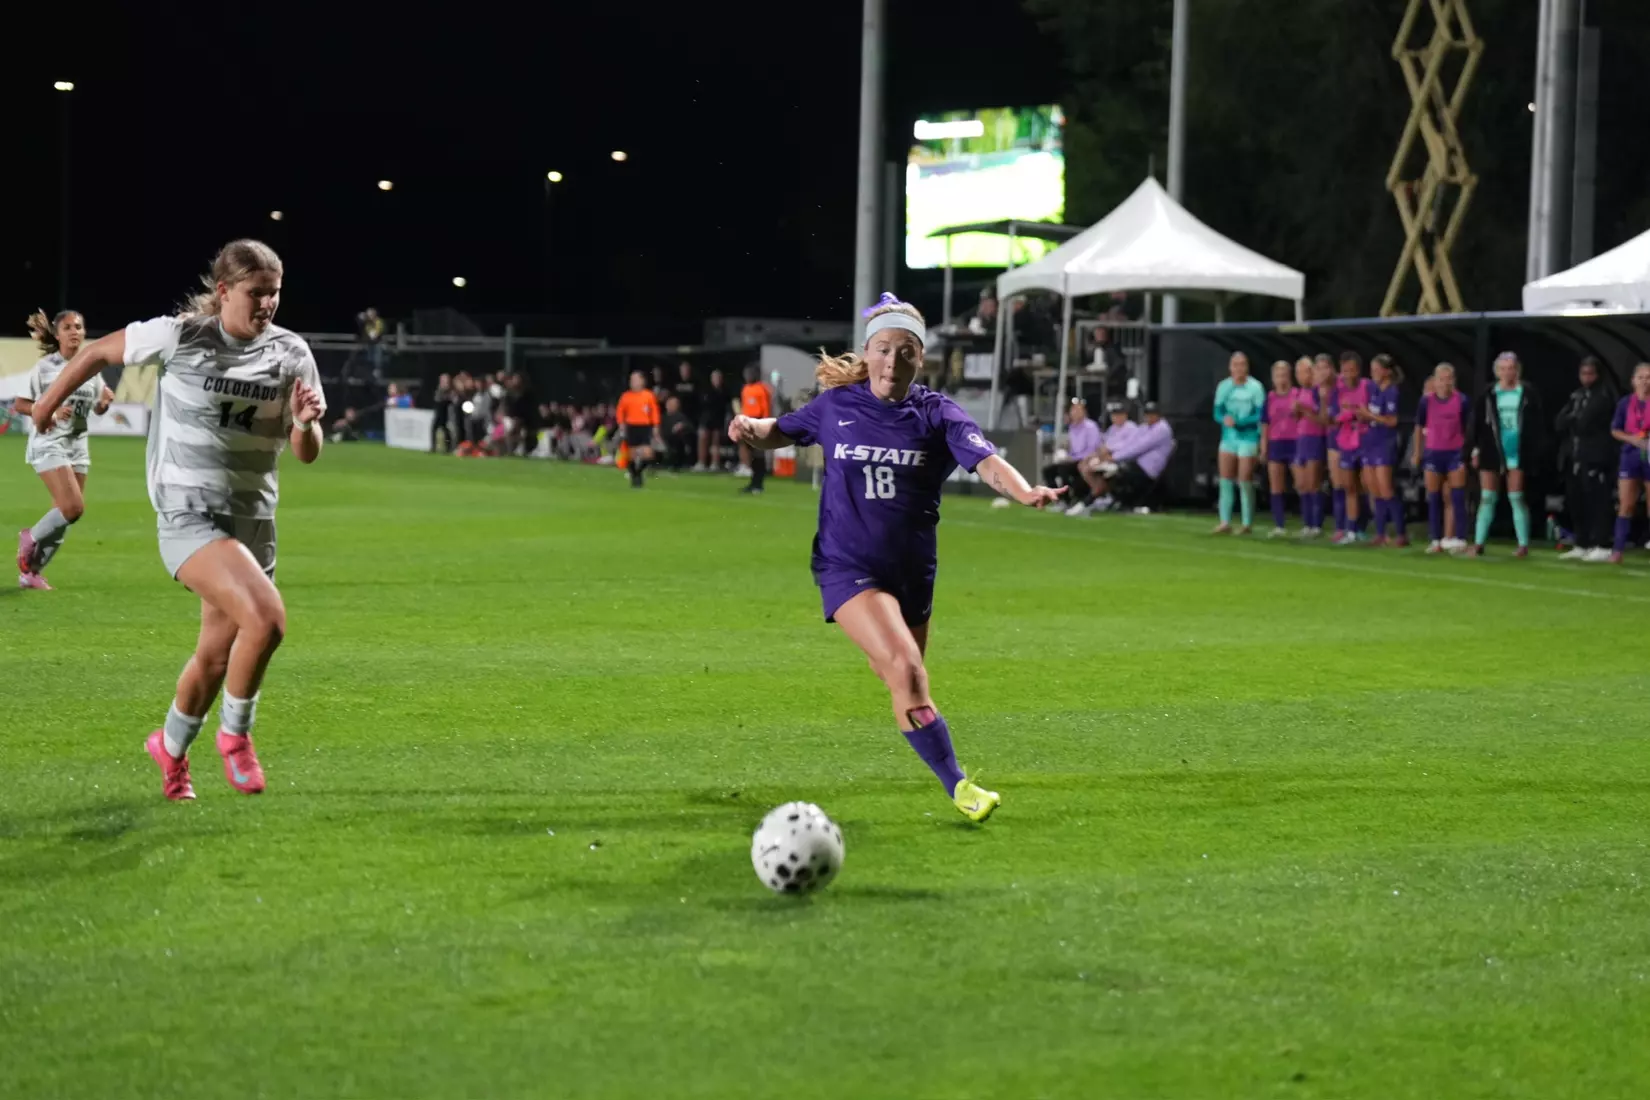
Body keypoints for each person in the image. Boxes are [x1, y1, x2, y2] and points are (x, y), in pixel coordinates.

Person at [727, 293, 1062, 823]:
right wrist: (752, 427)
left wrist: (1023, 491)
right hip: (848, 566)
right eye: (883, 349)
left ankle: (931, 747)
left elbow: (987, 461)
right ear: (867, 352)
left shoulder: (937, 413)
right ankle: (960, 787)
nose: (892, 362)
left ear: (920, 358)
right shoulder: (836, 406)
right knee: (906, 671)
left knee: (901, 678)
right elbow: (781, 431)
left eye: (905, 351)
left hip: (912, 574)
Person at [31, 239, 325, 802]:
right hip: (188, 513)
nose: (268, 303)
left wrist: (307, 424)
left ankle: (169, 748)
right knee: (267, 619)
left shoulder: (292, 352)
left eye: (275, 293)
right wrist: (46, 405)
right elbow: (96, 353)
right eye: (257, 293)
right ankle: (235, 737)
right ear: (224, 291)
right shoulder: (181, 335)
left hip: (253, 521)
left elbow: (305, 451)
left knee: (215, 656)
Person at [13, 310, 114, 590]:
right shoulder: (46, 367)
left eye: (78, 327)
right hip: (49, 442)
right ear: (57, 335)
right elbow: (20, 404)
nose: (74, 332)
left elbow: (97, 407)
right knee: (72, 508)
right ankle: (30, 537)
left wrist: (104, 404)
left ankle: (32, 573)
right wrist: (51, 411)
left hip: (77, 446)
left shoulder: (91, 367)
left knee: (64, 515)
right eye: (67, 327)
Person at [1465, 352, 1544, 558]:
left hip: (1517, 451)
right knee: (1487, 497)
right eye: (1503, 369)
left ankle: (1523, 545)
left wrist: (1534, 450)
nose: (1507, 372)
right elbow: (1477, 423)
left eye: (1511, 368)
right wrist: (1475, 448)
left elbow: (1537, 424)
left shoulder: (1527, 393)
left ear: (1517, 370)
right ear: (1497, 371)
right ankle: (1479, 543)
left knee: (1516, 497)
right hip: (1491, 449)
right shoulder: (1489, 393)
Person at [1554, 356, 1618, 561]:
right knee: (1576, 501)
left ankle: (1602, 544)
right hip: (1574, 456)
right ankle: (1581, 542)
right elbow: (1559, 422)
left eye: (1590, 374)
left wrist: (1574, 418)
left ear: (1598, 375)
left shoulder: (1604, 396)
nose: (1586, 378)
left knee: (1597, 501)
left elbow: (1585, 423)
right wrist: (1573, 417)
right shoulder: (1577, 395)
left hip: (1596, 457)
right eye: (1583, 373)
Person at [1412, 362, 1470, 554]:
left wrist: (1469, 451)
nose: (1445, 383)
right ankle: (1435, 539)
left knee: (1457, 496)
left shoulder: (1462, 400)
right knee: (1434, 497)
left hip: (1455, 453)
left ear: (1454, 381)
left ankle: (1460, 538)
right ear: (1435, 381)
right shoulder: (1426, 402)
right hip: (1433, 453)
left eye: (1448, 379)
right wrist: (1417, 452)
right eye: (1441, 379)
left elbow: (1468, 428)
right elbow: (1419, 427)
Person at [1212, 351, 1265, 534]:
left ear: (1247, 367)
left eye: (1242, 364)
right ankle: (1224, 521)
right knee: (1225, 479)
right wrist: (1224, 419)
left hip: (1248, 437)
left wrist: (1241, 422)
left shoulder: (1255, 387)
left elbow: (1260, 414)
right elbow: (1217, 412)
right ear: (1230, 367)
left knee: (1244, 479)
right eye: (1235, 365)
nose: (1239, 368)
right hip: (1229, 438)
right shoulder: (1224, 386)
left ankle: (1246, 522)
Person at [1358, 353, 1408, 547]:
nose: (1373, 373)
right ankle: (1380, 533)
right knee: (1374, 490)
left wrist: (1369, 415)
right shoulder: (1373, 389)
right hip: (1370, 442)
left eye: (1376, 370)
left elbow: (1392, 421)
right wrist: (1360, 415)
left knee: (1386, 489)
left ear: (1386, 372)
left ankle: (1401, 533)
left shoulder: (1392, 392)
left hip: (1385, 444)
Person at [1096, 401, 1174, 511]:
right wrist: (1112, 455)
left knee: (1115, 472)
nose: (1149, 417)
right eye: (1147, 414)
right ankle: (1112, 499)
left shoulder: (1162, 429)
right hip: (1137, 463)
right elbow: (1130, 443)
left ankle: (1118, 499)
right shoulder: (1144, 427)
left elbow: (1139, 448)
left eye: (1152, 414)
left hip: (1149, 468)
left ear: (1158, 415)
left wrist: (1114, 458)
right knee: (1105, 470)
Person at [1608, 362, 1650, 563]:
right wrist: (1632, 439)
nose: (1645, 381)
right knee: (1626, 504)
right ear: (1633, 381)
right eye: (1641, 377)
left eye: (1648, 377)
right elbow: (1615, 430)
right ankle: (1618, 550)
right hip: (1630, 456)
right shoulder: (1625, 403)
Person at [1329, 351, 1370, 544]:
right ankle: (1351, 530)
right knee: (1349, 487)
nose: (1347, 374)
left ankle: (1367, 528)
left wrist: (1360, 415)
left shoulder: (1368, 386)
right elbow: (1333, 417)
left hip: (1366, 441)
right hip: (1346, 442)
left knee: (1367, 485)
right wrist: (1344, 416)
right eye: (1344, 370)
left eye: (1351, 370)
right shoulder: (1337, 391)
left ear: (1358, 370)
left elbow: (1372, 412)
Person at [1040, 398, 1101, 515]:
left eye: (1078, 410)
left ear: (1084, 412)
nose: (1075, 413)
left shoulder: (1090, 427)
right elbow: (1073, 448)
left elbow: (1093, 449)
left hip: (1086, 460)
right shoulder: (1072, 428)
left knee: (1063, 469)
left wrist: (1072, 458)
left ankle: (1068, 500)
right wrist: (1066, 454)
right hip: (1073, 459)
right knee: (1048, 471)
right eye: (1073, 410)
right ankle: (1061, 500)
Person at [1258, 360, 1298, 537]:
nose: (1281, 378)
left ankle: (1310, 523)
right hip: (1276, 443)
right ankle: (1279, 524)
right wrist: (1263, 448)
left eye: (1284, 375)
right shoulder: (1270, 398)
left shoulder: (1297, 395)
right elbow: (1265, 425)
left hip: (1295, 442)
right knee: (1276, 485)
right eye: (1277, 375)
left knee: (1301, 483)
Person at [1291, 356, 1328, 538]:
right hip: (1301, 439)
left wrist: (1304, 410)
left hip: (1315, 438)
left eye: (1304, 371)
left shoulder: (1317, 392)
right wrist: (1296, 411)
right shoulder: (1300, 392)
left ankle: (1316, 524)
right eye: (1298, 372)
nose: (1301, 376)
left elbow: (1322, 419)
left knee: (1314, 483)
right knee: (1301, 484)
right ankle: (1307, 523)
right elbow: (1297, 418)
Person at [615, 370, 661, 489]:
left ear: (642, 381)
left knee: (648, 454)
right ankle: (635, 475)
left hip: (645, 426)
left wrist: (656, 425)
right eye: (631, 380)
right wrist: (621, 424)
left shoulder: (649, 395)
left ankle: (638, 472)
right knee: (631, 454)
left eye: (635, 379)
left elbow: (654, 412)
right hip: (631, 426)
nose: (633, 382)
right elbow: (620, 411)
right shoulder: (626, 396)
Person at [738, 364, 772, 495]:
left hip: (758, 422)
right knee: (751, 453)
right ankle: (753, 482)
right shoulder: (745, 389)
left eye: (749, 374)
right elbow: (744, 407)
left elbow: (766, 408)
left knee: (758, 453)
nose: (747, 376)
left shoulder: (762, 389)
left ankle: (759, 484)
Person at [697, 367, 733, 472]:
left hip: (718, 419)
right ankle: (701, 463)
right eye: (715, 378)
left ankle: (715, 463)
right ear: (711, 379)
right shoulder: (706, 390)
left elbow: (727, 405)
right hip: (706, 419)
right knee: (703, 440)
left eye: (719, 378)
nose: (717, 380)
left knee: (716, 442)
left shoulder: (725, 391)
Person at [430, 373, 456, 453]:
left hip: (446, 415)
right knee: (434, 429)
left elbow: (451, 400)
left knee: (446, 431)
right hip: (439, 414)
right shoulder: (439, 390)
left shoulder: (450, 391)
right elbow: (437, 399)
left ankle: (449, 448)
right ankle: (433, 447)